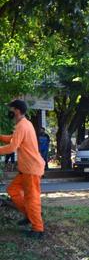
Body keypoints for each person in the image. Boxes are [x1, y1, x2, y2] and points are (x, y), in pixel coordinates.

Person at [0, 100, 46, 238]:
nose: (10, 112)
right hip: (27, 169)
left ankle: (38, 229)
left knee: (32, 199)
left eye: (11, 109)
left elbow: (12, 147)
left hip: (31, 170)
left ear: (17, 111)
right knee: (13, 190)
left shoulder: (22, 126)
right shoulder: (25, 124)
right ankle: (29, 215)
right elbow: (14, 139)